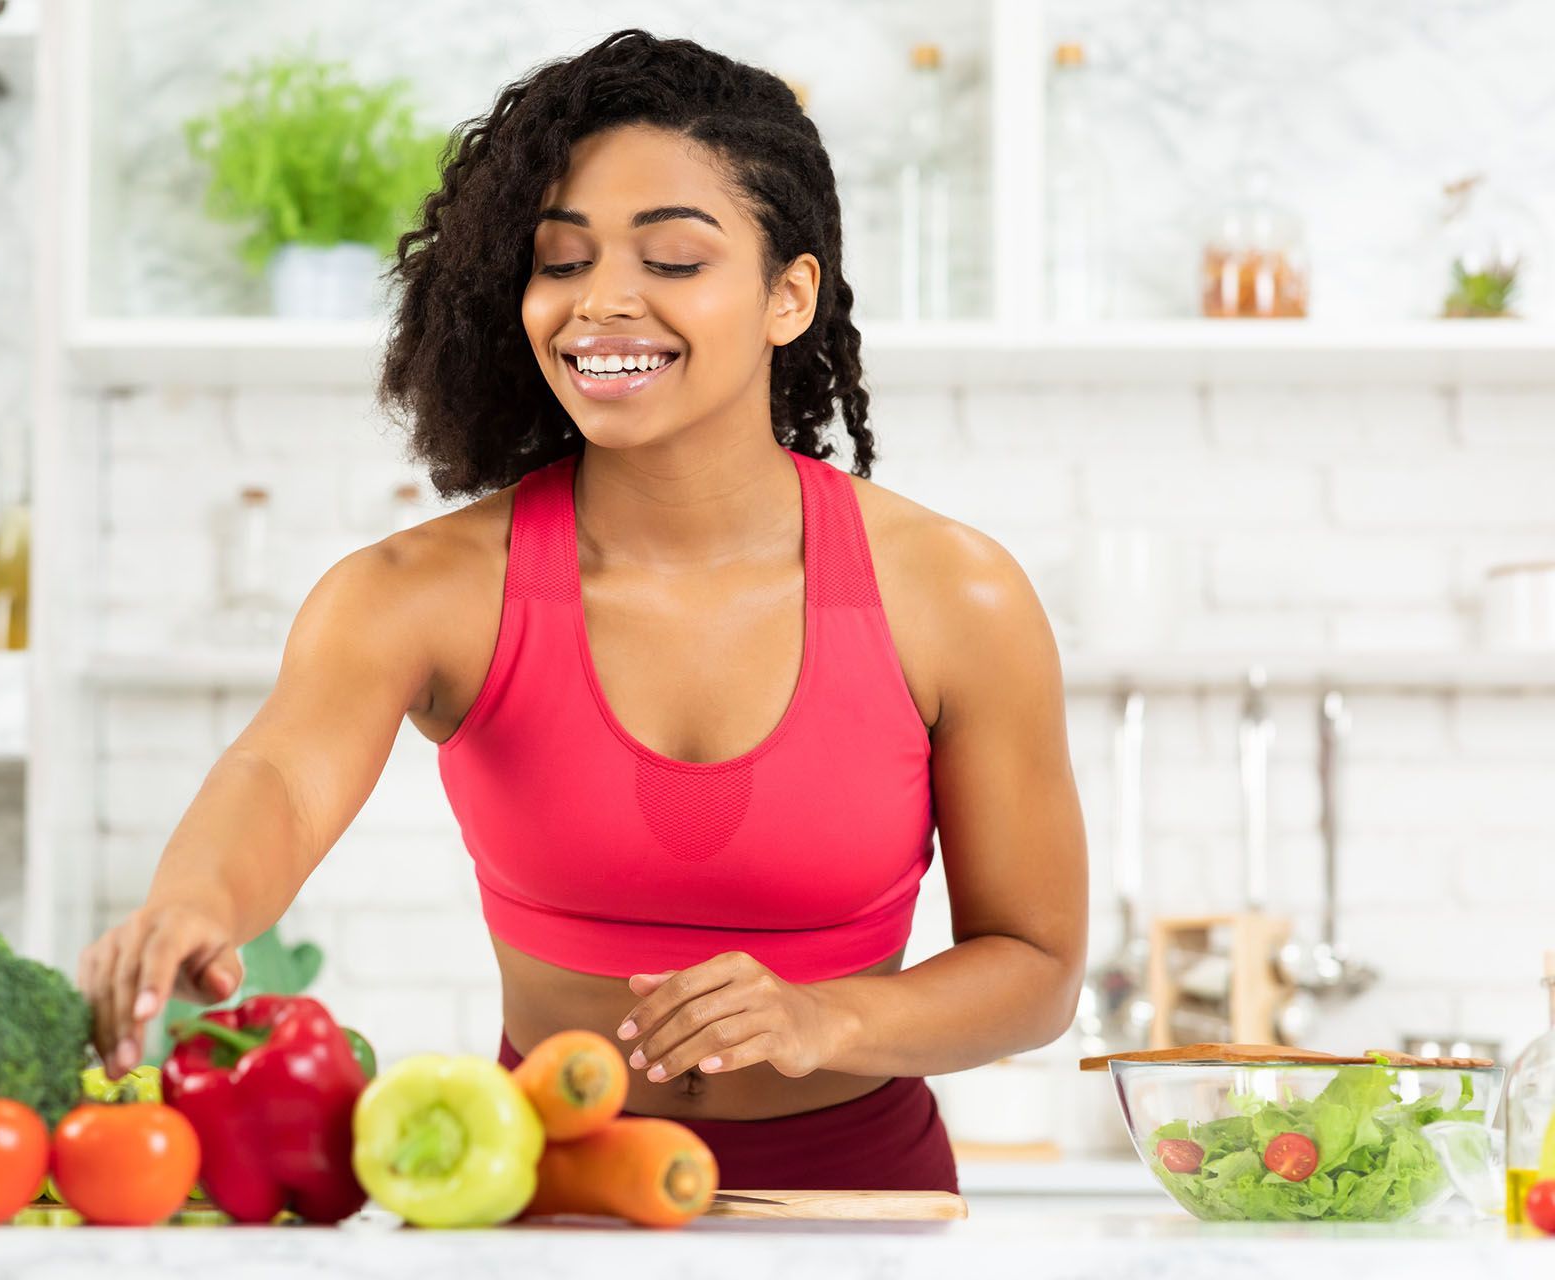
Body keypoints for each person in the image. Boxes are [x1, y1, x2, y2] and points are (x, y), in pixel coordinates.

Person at [77, 28, 1086, 1192]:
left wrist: (831, 1020)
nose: (603, 300)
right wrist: (194, 902)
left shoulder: (956, 595)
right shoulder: (422, 590)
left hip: (859, 1192)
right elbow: (282, 776)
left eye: (673, 260)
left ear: (787, 294)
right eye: (561, 262)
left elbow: (1036, 966)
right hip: (536, 1186)